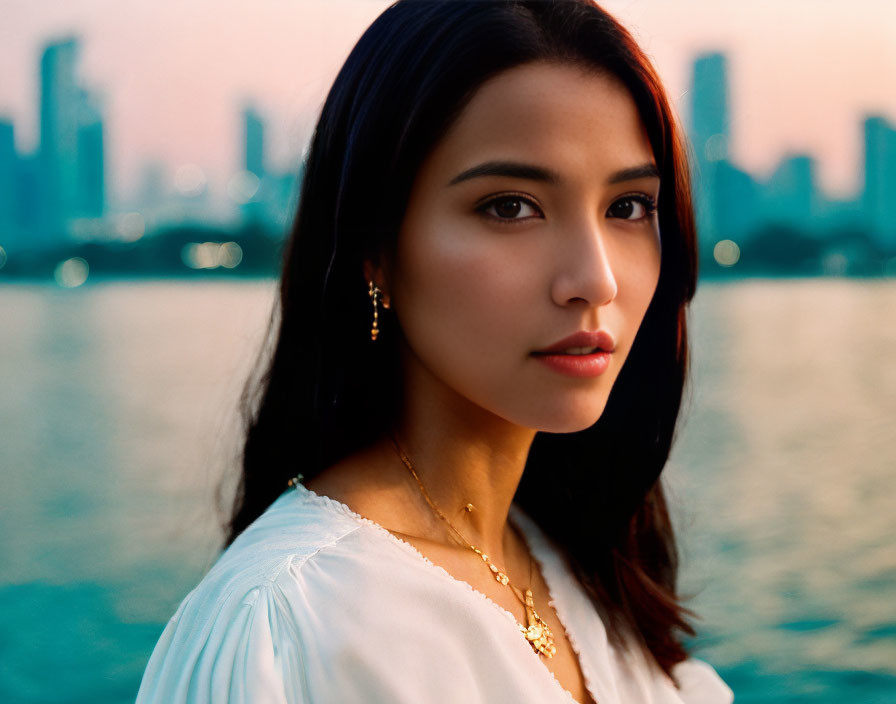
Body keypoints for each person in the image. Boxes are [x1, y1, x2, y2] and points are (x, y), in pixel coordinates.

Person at [136, 1, 734, 702]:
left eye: (628, 207)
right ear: (374, 251)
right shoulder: (289, 625)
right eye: (511, 206)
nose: (595, 279)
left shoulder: (580, 565)